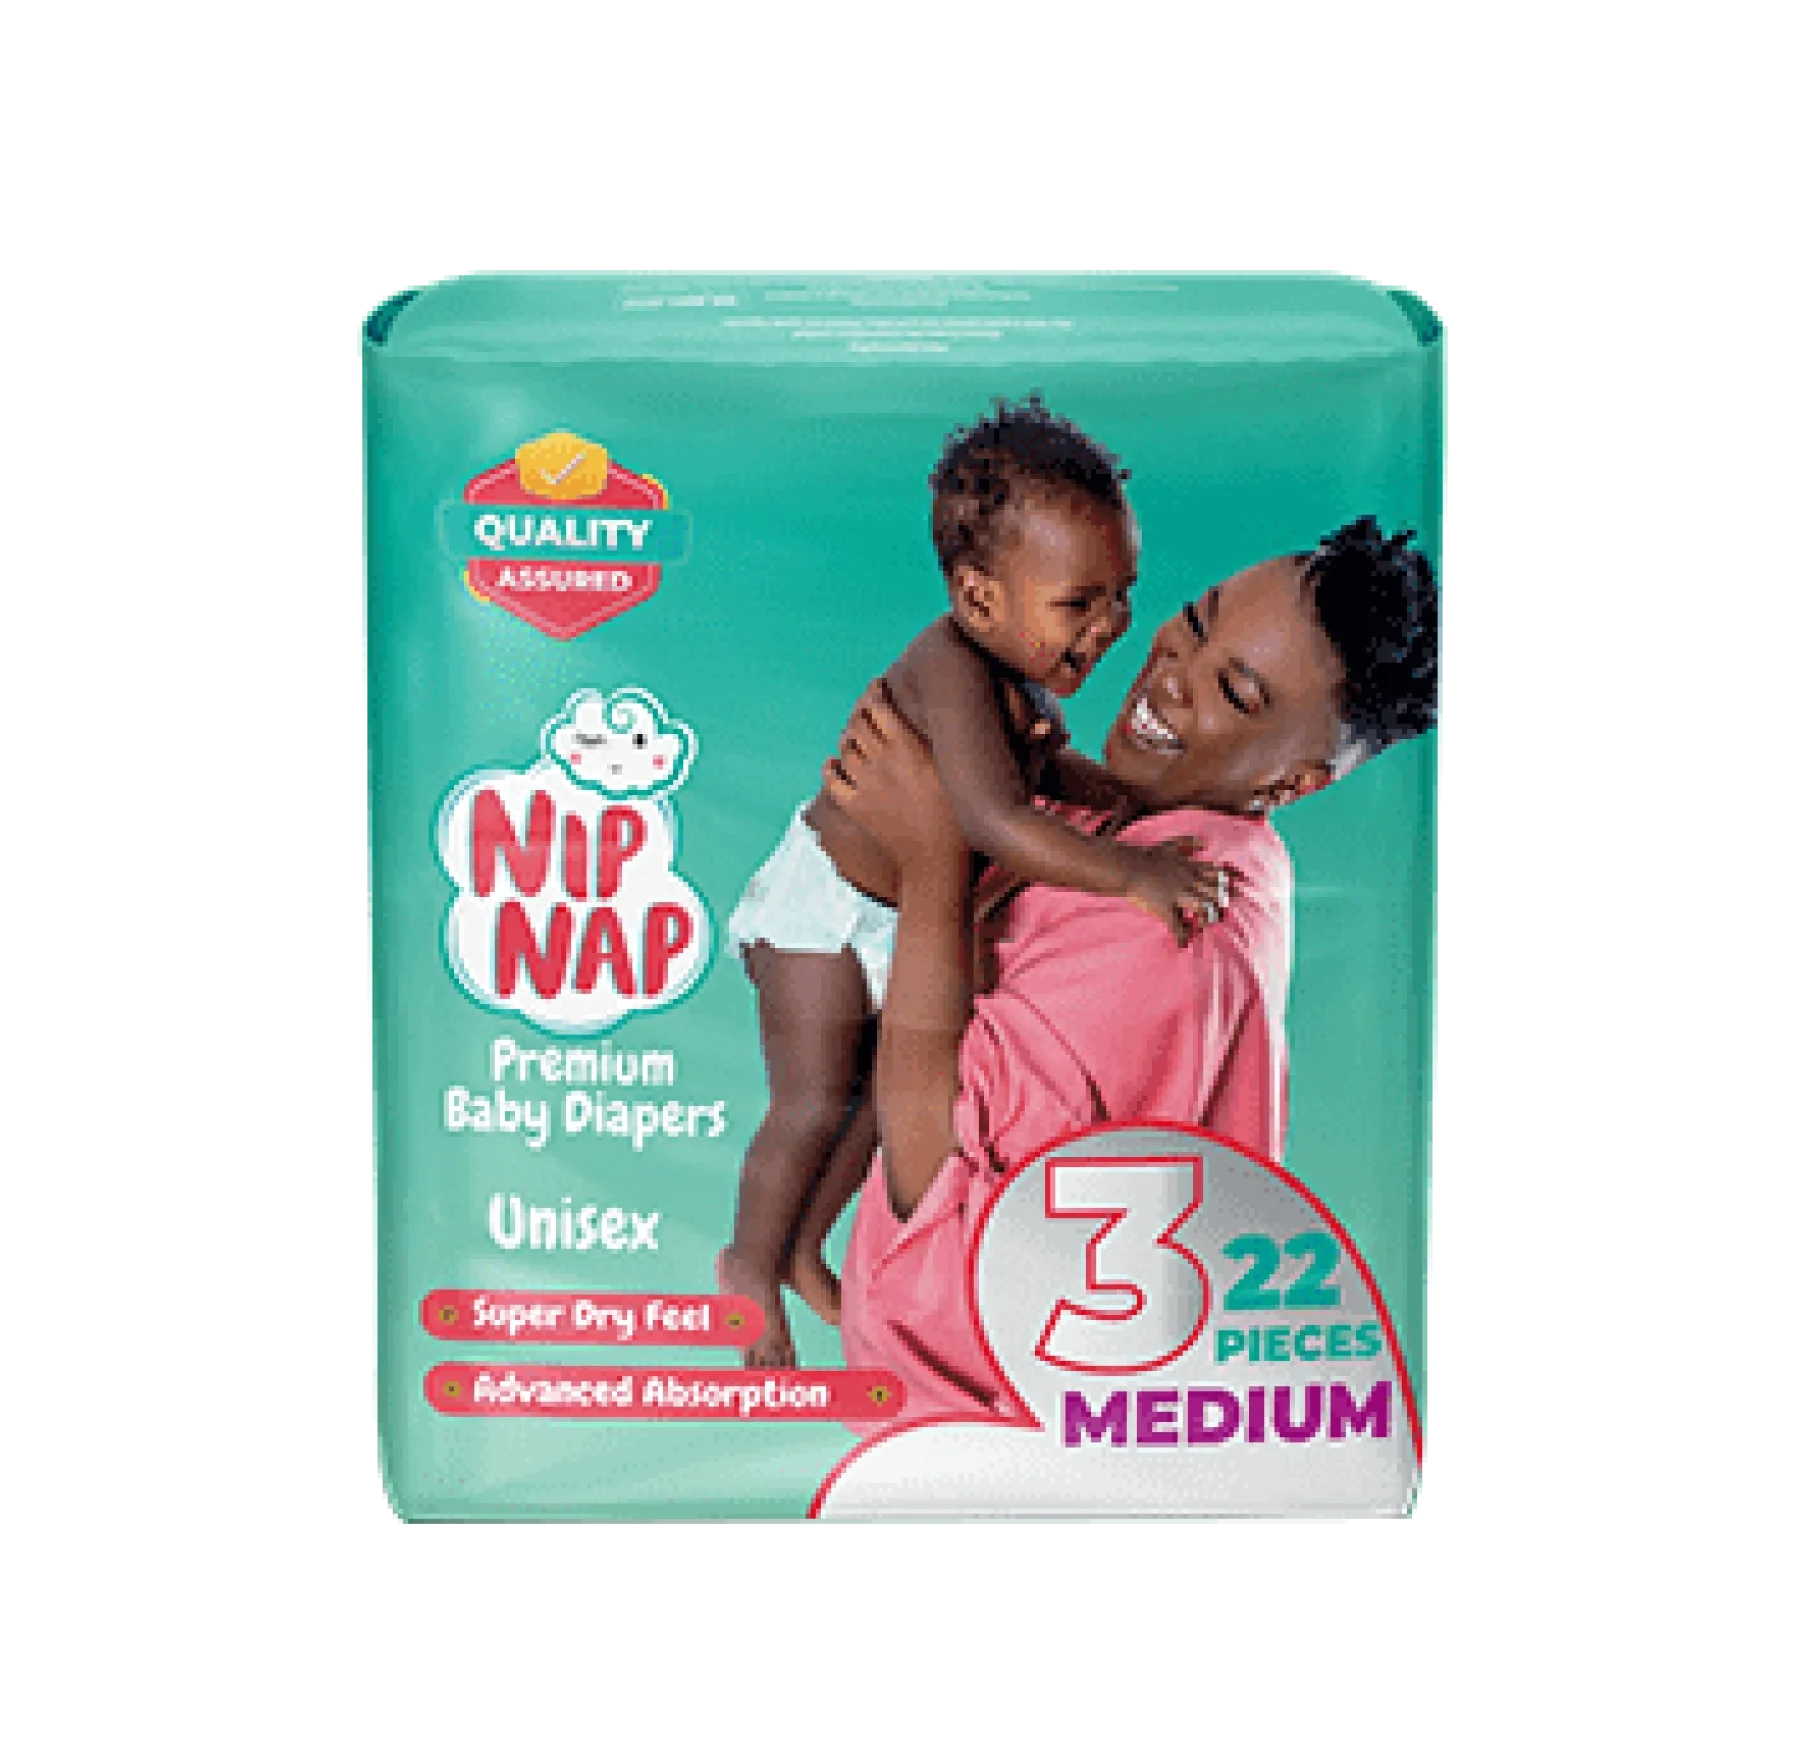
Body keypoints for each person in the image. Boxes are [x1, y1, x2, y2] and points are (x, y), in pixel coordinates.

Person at [823, 517, 1441, 1429]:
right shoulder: (1162, 828)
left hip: (972, 1441)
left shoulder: (1163, 928)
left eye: (1234, 693)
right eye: (1192, 624)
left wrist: (930, 862)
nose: (1173, 675)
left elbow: (928, 1169)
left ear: (1295, 783)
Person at [719, 397, 1227, 1367]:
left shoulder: (1015, 673)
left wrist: (1126, 797)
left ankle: (803, 1249)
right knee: (813, 1099)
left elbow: (1040, 770)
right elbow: (997, 819)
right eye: (1080, 604)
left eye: (1122, 595)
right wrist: (1131, 873)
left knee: (879, 1104)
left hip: (899, 911)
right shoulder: (950, 668)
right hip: (821, 908)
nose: (1112, 627)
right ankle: (747, 1262)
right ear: (980, 599)